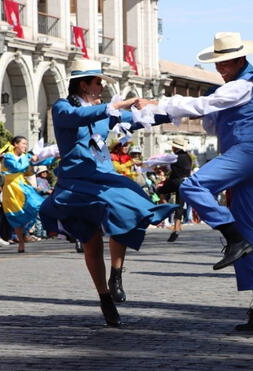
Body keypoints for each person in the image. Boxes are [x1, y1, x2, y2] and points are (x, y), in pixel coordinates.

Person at [137, 32, 253, 330]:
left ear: (240, 59)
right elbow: (209, 117)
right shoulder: (238, 86)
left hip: (244, 154)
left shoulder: (242, 84)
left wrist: (159, 104)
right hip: (249, 156)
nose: (219, 68)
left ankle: (233, 238)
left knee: (191, 186)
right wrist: (161, 109)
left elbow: (203, 106)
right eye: (218, 63)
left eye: (224, 63)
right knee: (245, 228)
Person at [39, 59, 178, 327]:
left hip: (103, 175)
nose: (101, 86)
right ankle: (104, 298)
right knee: (90, 240)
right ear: (84, 84)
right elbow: (77, 118)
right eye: (98, 82)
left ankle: (116, 273)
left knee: (128, 210)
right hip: (76, 180)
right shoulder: (62, 107)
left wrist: (173, 111)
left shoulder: (104, 112)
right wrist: (116, 105)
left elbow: (135, 120)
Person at [0, 136, 53, 253]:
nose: (25, 146)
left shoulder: (24, 157)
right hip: (12, 189)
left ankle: (49, 229)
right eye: (23, 143)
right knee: (16, 216)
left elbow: (35, 163)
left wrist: (52, 156)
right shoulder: (8, 157)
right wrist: (29, 157)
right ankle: (21, 243)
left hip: (23, 187)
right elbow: (18, 167)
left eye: (26, 144)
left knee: (38, 205)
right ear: (15, 144)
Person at [155, 136, 192, 242]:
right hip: (186, 182)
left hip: (175, 181)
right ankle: (176, 228)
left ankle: (167, 206)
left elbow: (162, 162)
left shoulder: (175, 157)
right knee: (180, 205)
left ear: (175, 147)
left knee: (160, 191)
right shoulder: (188, 157)